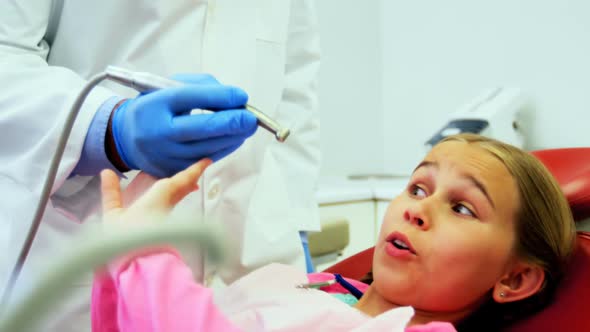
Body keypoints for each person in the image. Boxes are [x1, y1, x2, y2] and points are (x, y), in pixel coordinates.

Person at [0, 1, 321, 330]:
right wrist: (107, 128)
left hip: (256, 261)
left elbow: (295, 82)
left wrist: (296, 221)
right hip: (80, 251)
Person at [91, 133, 576, 331]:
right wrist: (115, 269)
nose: (418, 210)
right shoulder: (300, 281)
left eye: (463, 208)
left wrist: (143, 254)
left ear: (513, 279)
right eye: (417, 187)